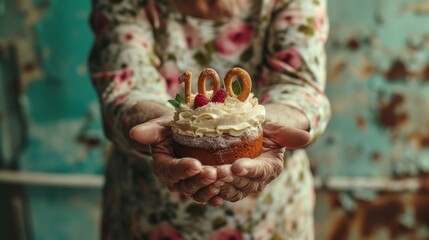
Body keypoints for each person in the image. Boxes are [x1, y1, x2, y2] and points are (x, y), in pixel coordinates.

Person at [88, 0, 330, 239]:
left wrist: (264, 124)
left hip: (269, 218)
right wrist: (162, 125)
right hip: (146, 214)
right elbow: (127, 85)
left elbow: (299, 87)